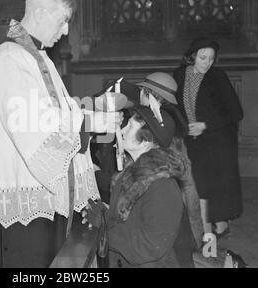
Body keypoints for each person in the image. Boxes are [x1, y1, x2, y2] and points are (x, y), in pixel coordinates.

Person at [0, 0, 122, 268]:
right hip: (24, 201)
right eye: (63, 21)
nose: (65, 31)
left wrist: (91, 111)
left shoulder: (38, 58)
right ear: (39, 13)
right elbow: (33, 123)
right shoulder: (9, 58)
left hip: (47, 195)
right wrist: (93, 120)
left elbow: (60, 110)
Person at [92, 72, 203, 249]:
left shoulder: (154, 126)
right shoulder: (165, 116)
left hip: (157, 239)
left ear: (146, 92)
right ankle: (195, 243)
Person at [84, 106, 195, 267]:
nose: (121, 132)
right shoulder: (131, 174)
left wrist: (104, 229)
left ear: (146, 140)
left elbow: (150, 246)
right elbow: (128, 221)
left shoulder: (162, 185)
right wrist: (104, 215)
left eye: (129, 127)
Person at [173, 37, 244, 239]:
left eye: (211, 59)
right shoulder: (179, 75)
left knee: (217, 184)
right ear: (193, 56)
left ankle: (220, 228)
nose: (207, 63)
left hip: (218, 138)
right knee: (200, 184)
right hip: (192, 139)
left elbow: (236, 112)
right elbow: (176, 106)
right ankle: (207, 228)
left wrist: (205, 125)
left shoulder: (218, 76)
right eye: (203, 57)